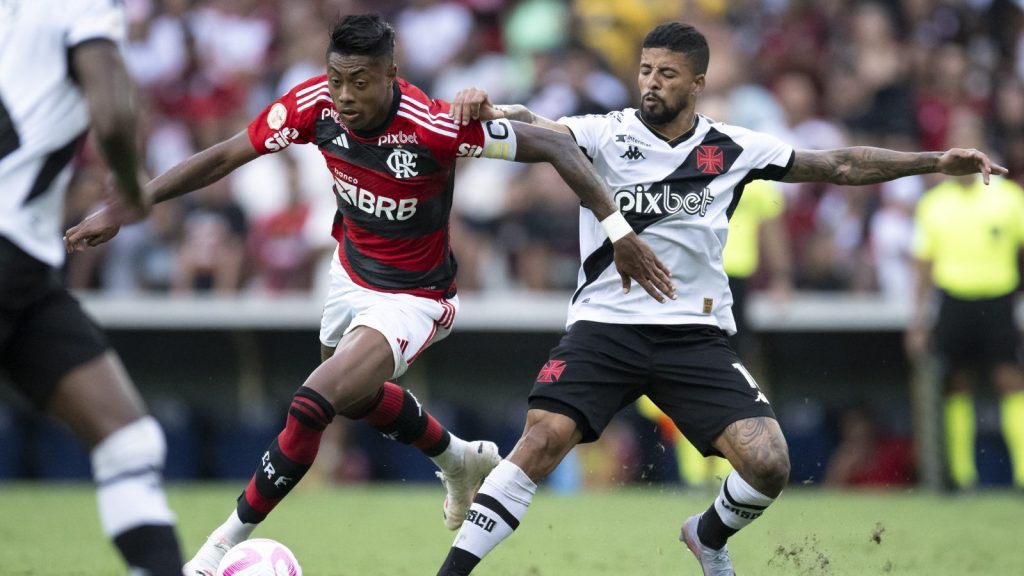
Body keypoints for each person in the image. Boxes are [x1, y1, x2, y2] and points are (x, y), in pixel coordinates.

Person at [64, 13, 675, 575]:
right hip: (348, 276)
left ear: (391, 75)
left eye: (360, 82)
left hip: (417, 298)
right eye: (337, 79)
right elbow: (225, 155)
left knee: (315, 400)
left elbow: (559, 146)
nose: (346, 96)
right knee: (354, 398)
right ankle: (458, 459)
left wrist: (617, 230)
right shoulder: (312, 106)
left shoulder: (434, 125)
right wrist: (125, 205)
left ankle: (217, 547)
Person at [440, 21, 1006, 575]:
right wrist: (488, 109)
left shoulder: (733, 147)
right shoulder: (604, 132)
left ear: (698, 82)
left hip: (693, 335)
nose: (651, 83)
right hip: (604, 327)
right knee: (541, 440)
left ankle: (706, 535)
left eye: (667, 73)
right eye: (644, 70)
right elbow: (535, 126)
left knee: (769, 463)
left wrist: (934, 162)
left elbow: (838, 163)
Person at [0, 1, 183, 574]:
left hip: (24, 264)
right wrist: (129, 185)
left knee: (130, 441)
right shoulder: (81, 5)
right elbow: (109, 111)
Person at [905, 156, 1024, 489]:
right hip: (954, 300)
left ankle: (1021, 475)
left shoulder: (1009, 197)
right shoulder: (934, 204)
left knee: (1010, 379)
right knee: (956, 383)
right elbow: (923, 264)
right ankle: (962, 475)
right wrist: (917, 320)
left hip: (999, 298)